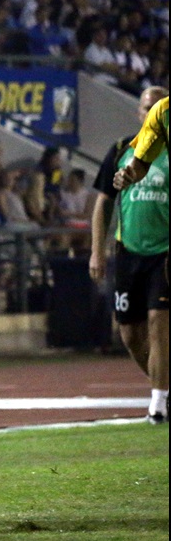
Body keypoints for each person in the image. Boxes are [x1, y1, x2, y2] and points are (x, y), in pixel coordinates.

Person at [94, 87, 169, 424]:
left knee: (158, 322)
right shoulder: (121, 149)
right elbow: (105, 200)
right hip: (128, 251)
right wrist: (97, 251)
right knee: (129, 334)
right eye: (147, 107)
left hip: (164, 253)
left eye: (157, 107)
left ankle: (158, 406)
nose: (153, 112)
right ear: (140, 113)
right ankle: (164, 387)